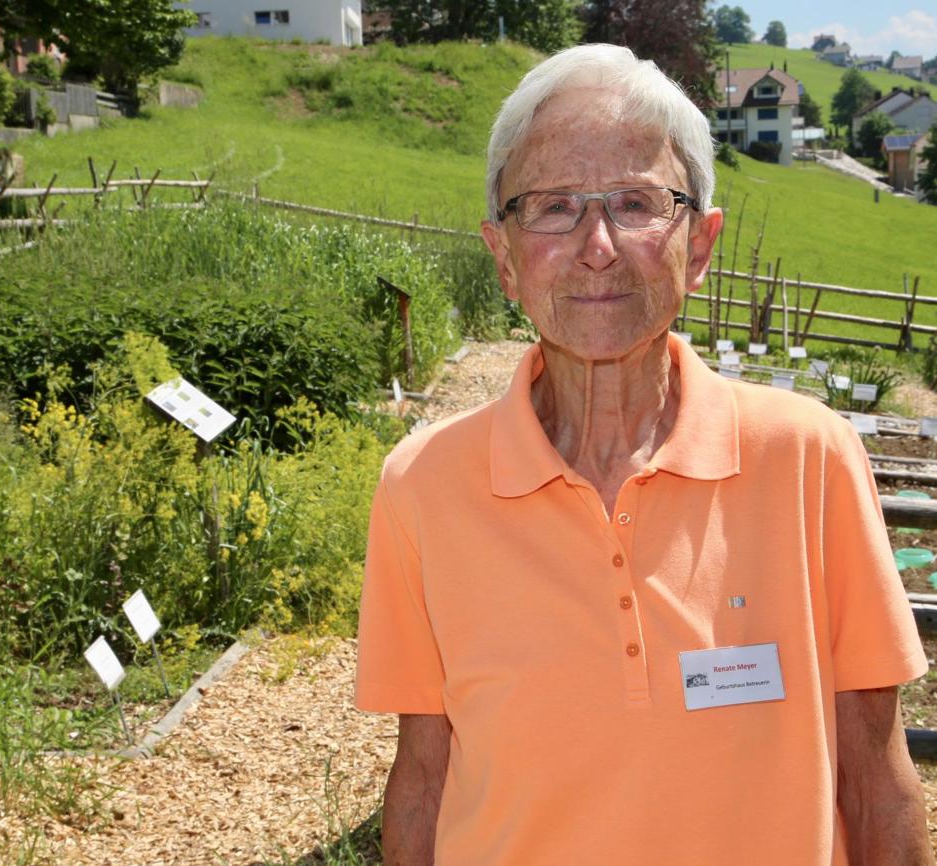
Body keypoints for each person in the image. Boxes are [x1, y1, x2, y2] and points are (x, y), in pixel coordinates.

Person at [354, 44, 933, 866]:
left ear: (697, 246)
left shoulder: (812, 460)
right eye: (553, 207)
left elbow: (876, 776)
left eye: (635, 202)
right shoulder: (422, 486)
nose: (598, 245)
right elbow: (423, 774)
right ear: (504, 258)